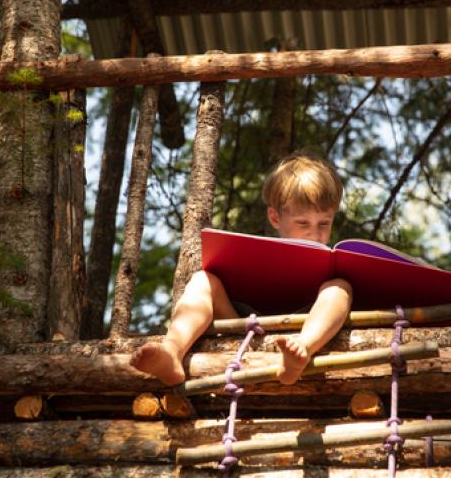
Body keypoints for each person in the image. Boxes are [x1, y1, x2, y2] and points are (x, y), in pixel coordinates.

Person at [130, 152, 352, 386]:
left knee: (340, 288)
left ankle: (302, 350)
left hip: (305, 327)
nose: (314, 233)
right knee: (203, 280)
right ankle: (172, 350)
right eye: (303, 223)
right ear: (275, 218)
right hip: (241, 325)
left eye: (324, 223)